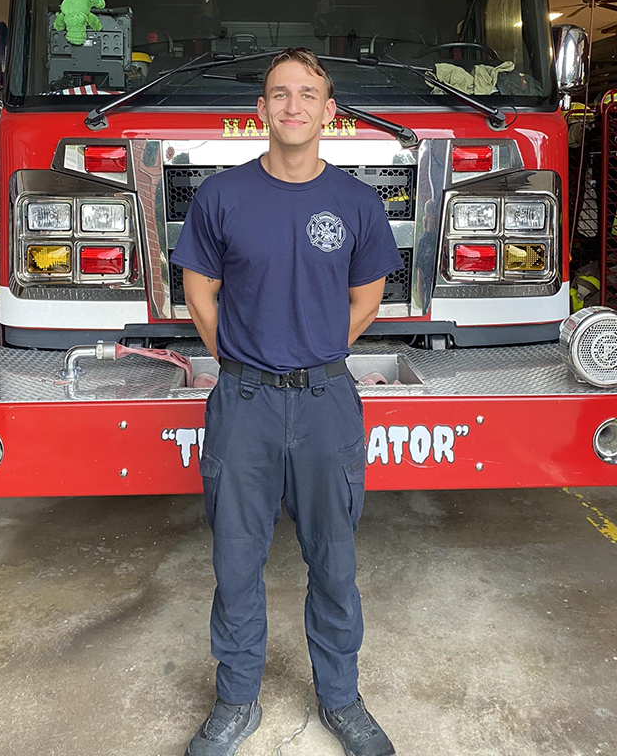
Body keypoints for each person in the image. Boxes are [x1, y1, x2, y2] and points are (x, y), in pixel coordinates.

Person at [172, 47, 402, 756]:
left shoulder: (357, 202)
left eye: (308, 93)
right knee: (236, 560)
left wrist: (313, 343)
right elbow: (198, 289)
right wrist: (238, 356)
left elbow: (368, 294)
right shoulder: (221, 196)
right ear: (261, 110)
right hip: (242, 401)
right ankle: (236, 700)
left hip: (326, 397)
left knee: (333, 560)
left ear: (329, 111)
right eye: (279, 93)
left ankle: (340, 698)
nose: (293, 105)